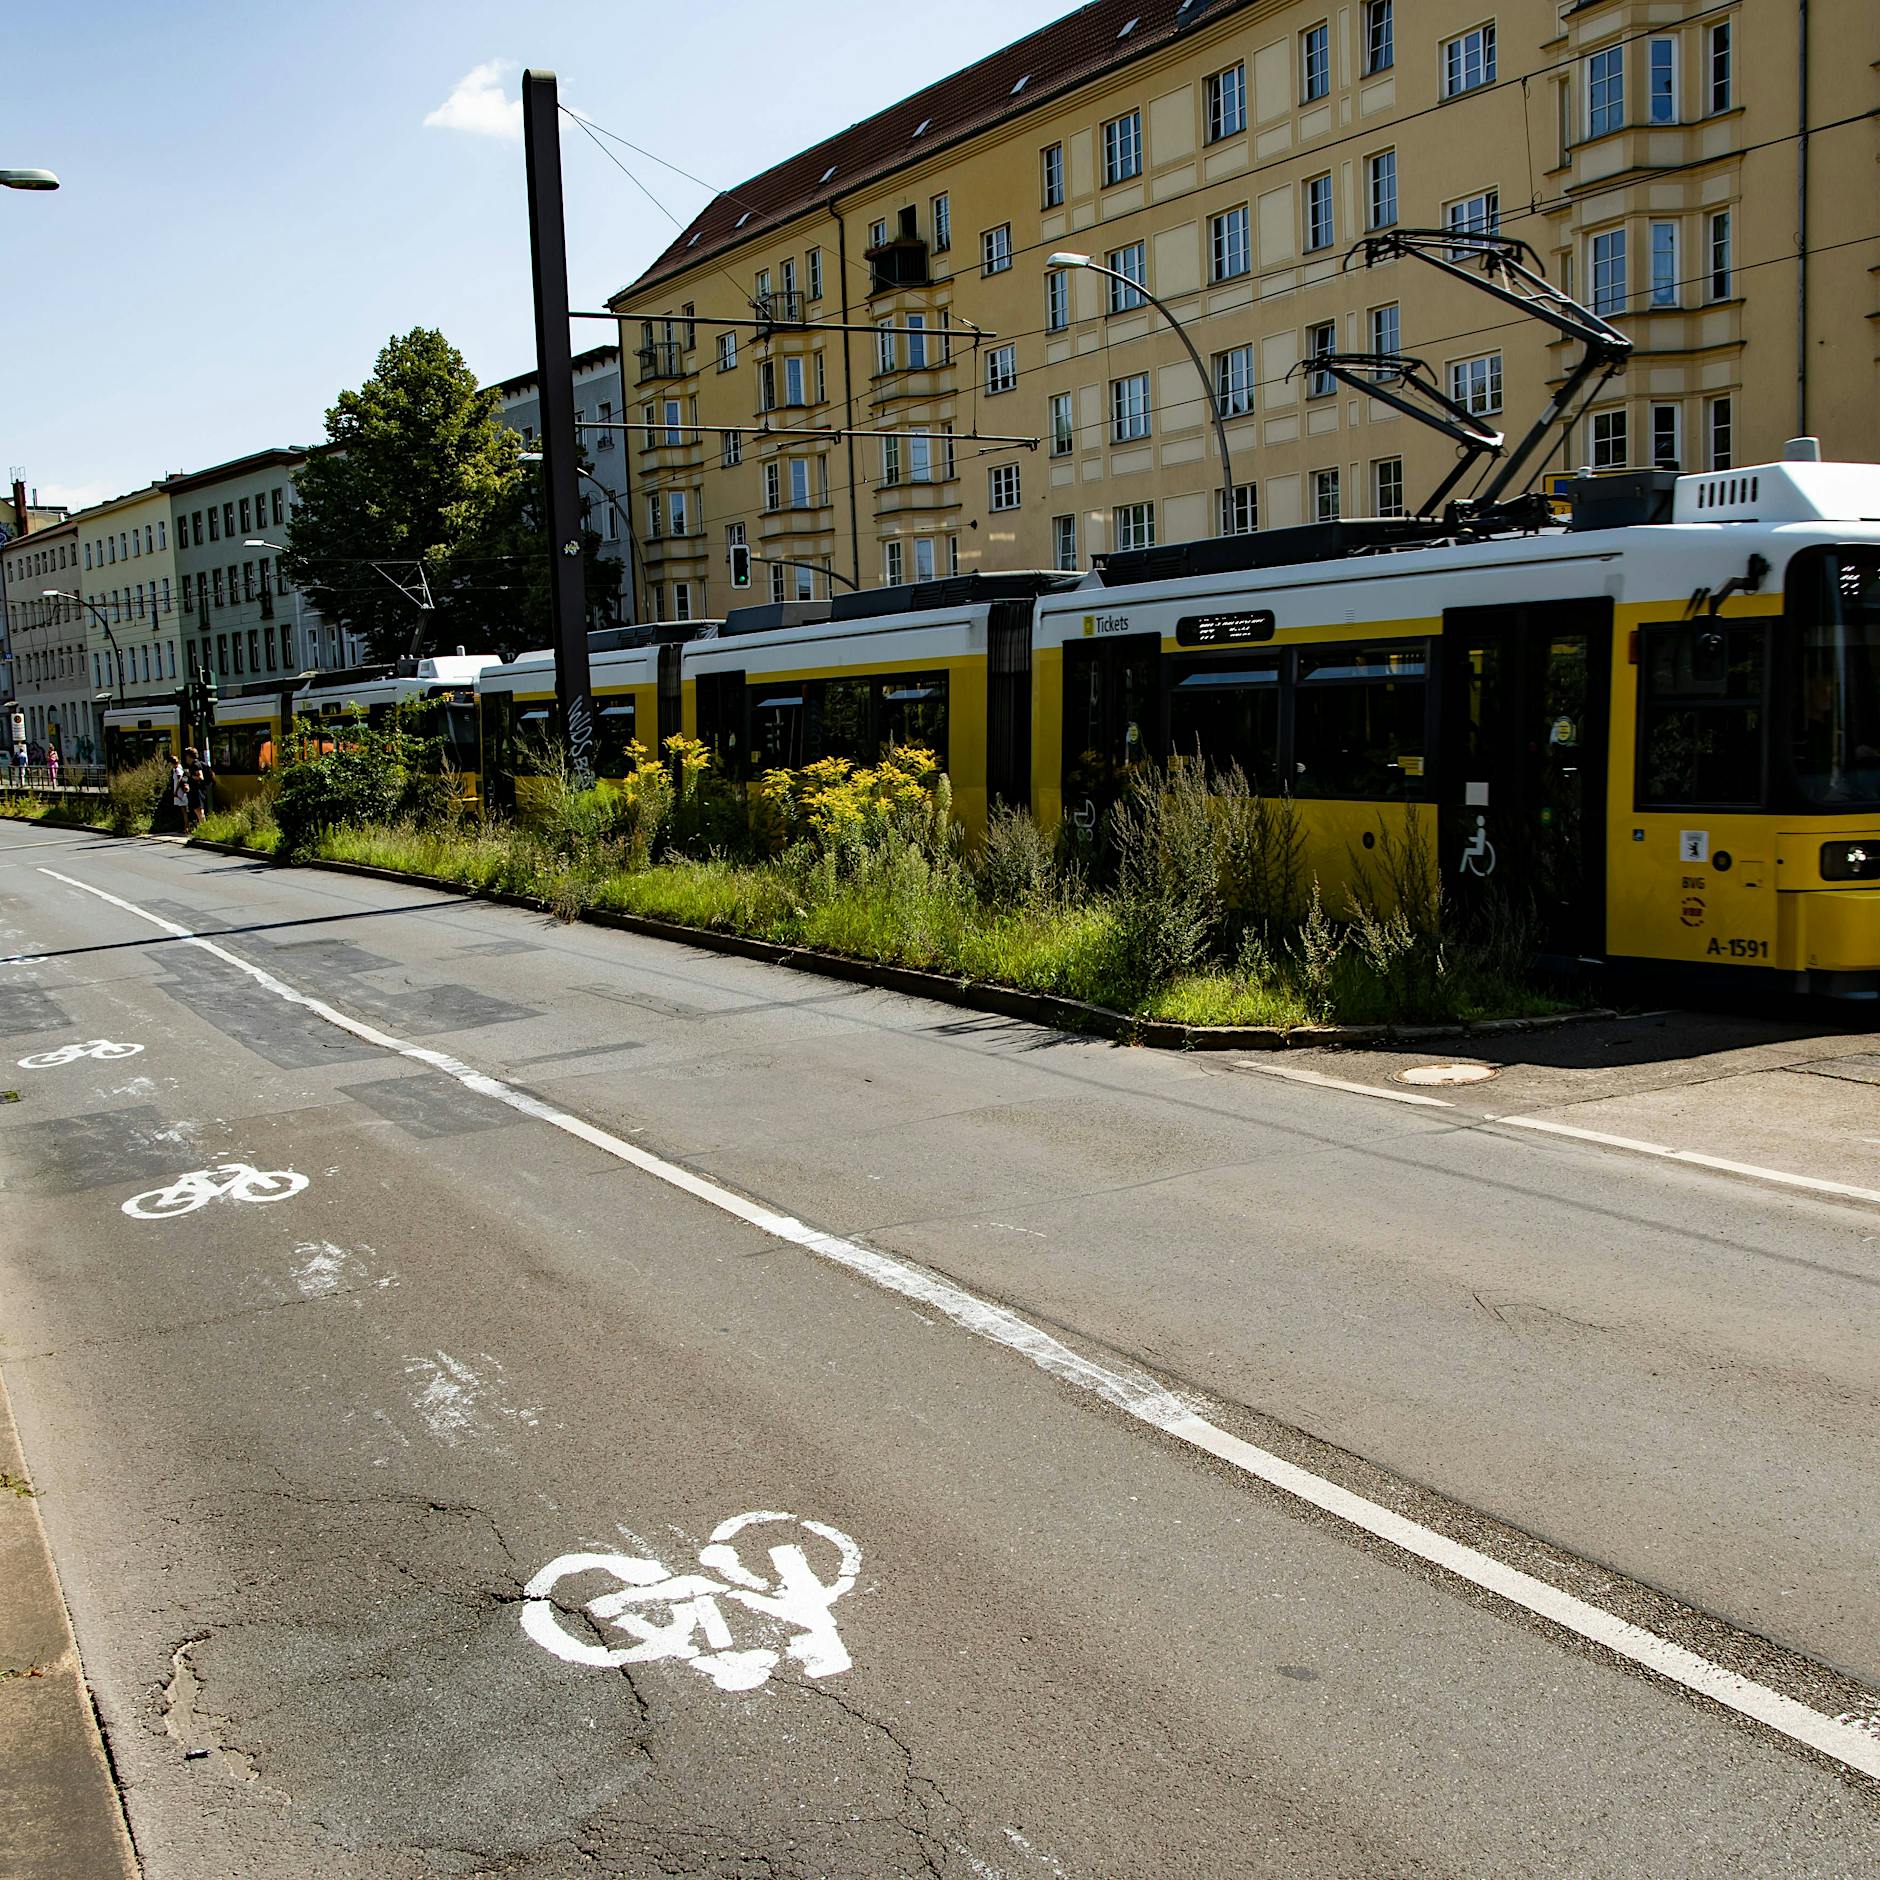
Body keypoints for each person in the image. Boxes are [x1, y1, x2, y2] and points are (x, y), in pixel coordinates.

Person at [172, 750, 191, 829]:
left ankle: (186, 826)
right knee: (184, 810)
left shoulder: (177, 770)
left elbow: (179, 780)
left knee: (184, 810)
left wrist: (175, 791)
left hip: (180, 792)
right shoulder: (179, 768)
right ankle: (186, 826)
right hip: (181, 791)